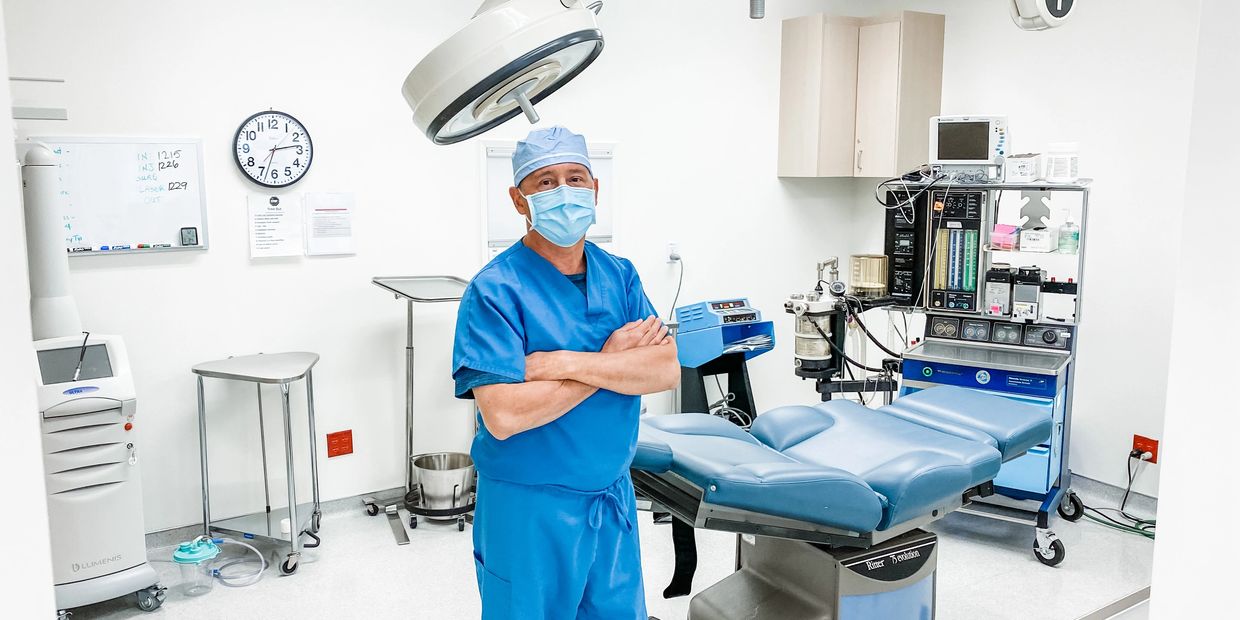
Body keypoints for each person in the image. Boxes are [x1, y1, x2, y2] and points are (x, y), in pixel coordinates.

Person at [452, 126, 680, 619]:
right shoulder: (494, 291)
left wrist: (564, 363)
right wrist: (613, 361)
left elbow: (664, 369)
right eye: (545, 183)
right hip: (528, 508)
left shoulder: (619, 275)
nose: (564, 193)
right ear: (519, 200)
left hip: (611, 498)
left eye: (575, 178)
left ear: (595, 189)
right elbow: (505, 415)